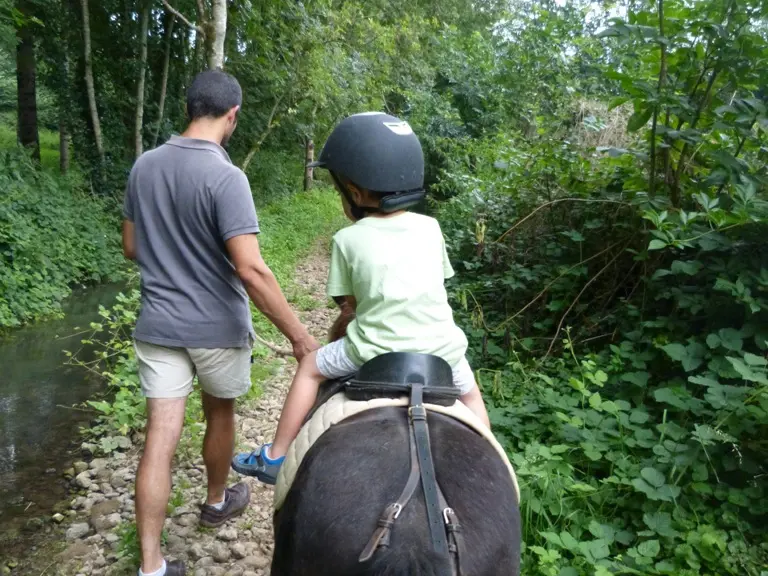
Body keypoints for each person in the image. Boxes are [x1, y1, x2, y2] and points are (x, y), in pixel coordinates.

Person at [122, 69, 319, 576]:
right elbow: (250, 268)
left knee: (159, 437)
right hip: (216, 329)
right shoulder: (227, 177)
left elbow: (131, 246)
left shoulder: (145, 166)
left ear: (190, 108)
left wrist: (171, 260)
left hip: (158, 326)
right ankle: (215, 502)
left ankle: (150, 566)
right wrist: (299, 337)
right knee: (220, 413)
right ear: (232, 115)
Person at [231, 111, 491, 486]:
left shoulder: (347, 239)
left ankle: (276, 456)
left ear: (354, 192)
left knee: (309, 369)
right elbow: (437, 283)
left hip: (373, 351)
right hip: (443, 352)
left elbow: (349, 304)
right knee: (471, 396)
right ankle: (487, 458)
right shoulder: (431, 228)